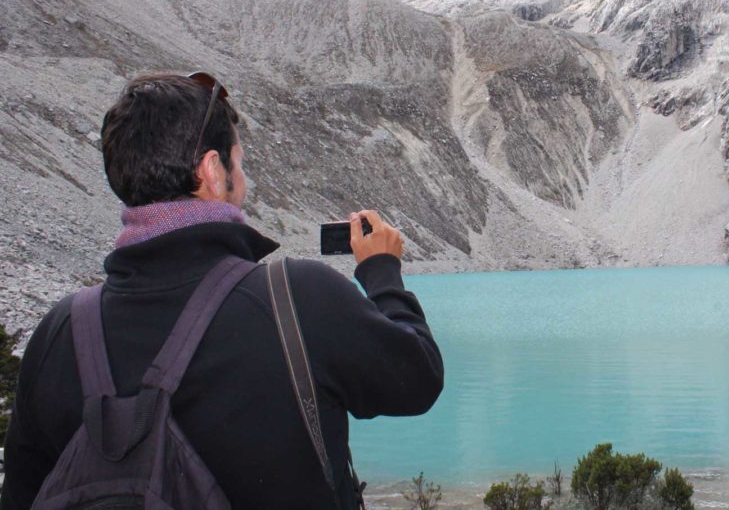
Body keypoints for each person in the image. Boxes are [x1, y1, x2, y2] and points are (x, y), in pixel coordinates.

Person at [0, 73, 443, 509]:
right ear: (213, 171)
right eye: (240, 163)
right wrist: (382, 270)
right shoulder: (298, 297)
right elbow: (417, 379)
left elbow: (23, 492)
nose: (244, 181)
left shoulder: (58, 331)